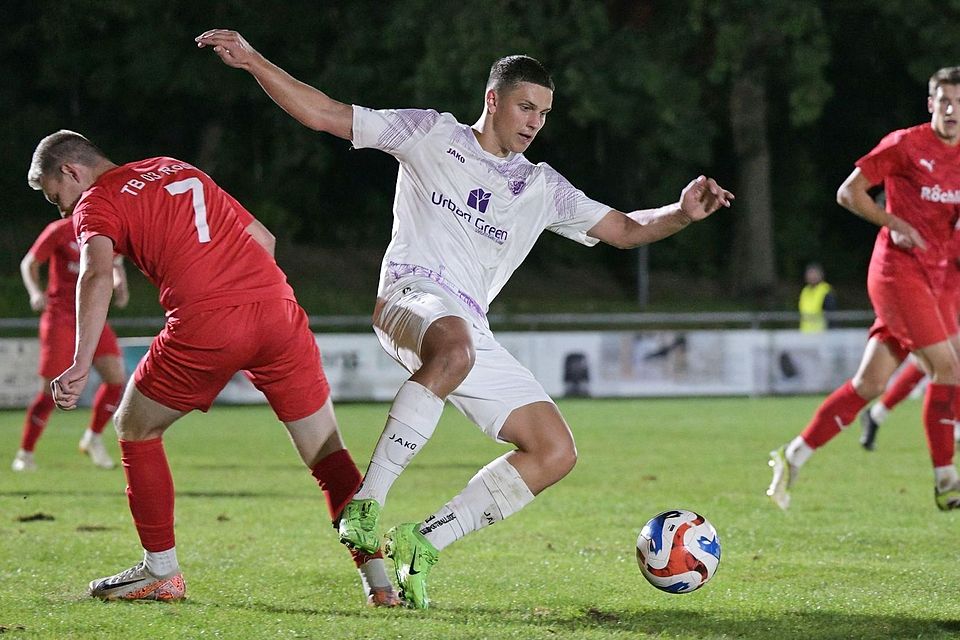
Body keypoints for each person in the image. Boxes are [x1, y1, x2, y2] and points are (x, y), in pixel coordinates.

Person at [197, 29, 733, 608]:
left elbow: (628, 230)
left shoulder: (541, 188)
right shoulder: (430, 134)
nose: (535, 122)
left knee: (553, 451)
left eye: (545, 114)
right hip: (409, 298)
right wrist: (253, 60)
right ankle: (365, 505)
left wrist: (681, 212)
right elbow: (326, 113)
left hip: (468, 329)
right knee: (454, 348)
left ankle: (424, 541)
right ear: (493, 99)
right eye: (526, 107)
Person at [31, 130, 399, 606]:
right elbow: (262, 237)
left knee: (134, 427)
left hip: (207, 321)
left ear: (70, 171)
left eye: (53, 196)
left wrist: (81, 361)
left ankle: (160, 572)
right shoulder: (172, 164)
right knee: (329, 453)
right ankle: (380, 585)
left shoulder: (95, 201)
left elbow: (96, 272)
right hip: (278, 310)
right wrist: (252, 316)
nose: (59, 209)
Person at [767, 67, 960, 512]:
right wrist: (893, 222)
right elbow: (849, 192)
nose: (951, 110)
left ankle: (793, 454)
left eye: (958, 101)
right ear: (930, 104)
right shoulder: (905, 145)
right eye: (943, 100)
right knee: (948, 369)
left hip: (934, 278)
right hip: (896, 272)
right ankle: (946, 479)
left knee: (869, 383)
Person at [12, 218, 129, 471]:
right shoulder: (59, 230)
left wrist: (121, 284)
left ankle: (93, 438)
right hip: (60, 317)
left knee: (116, 379)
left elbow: (116, 262)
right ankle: (25, 453)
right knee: (49, 391)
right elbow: (29, 263)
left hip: (92, 316)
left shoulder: (105, 227)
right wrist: (35, 292)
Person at [798, 262, 836, 333]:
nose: (812, 276)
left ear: (821, 275)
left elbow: (832, 317)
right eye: (810, 274)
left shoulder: (826, 291)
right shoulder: (805, 291)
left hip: (821, 334)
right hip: (805, 334)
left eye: (814, 274)